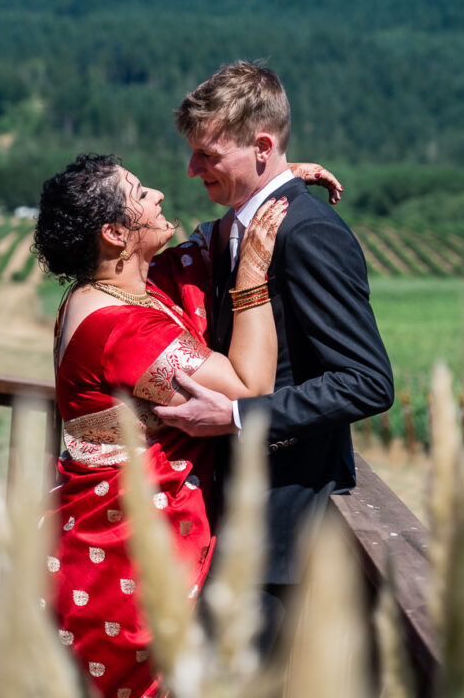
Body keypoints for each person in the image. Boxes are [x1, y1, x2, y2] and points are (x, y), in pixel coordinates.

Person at [154, 61, 394, 647]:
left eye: (207, 155)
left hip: (278, 521)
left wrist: (237, 416)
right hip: (229, 514)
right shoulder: (243, 224)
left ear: (262, 147)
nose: (192, 169)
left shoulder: (309, 233)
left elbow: (367, 381)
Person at [33, 153, 288, 698]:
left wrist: (274, 179)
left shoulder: (112, 290)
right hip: (125, 552)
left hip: (104, 537)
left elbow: (205, 243)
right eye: (141, 192)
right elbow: (249, 386)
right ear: (114, 233)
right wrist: (252, 277)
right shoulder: (121, 327)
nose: (159, 195)